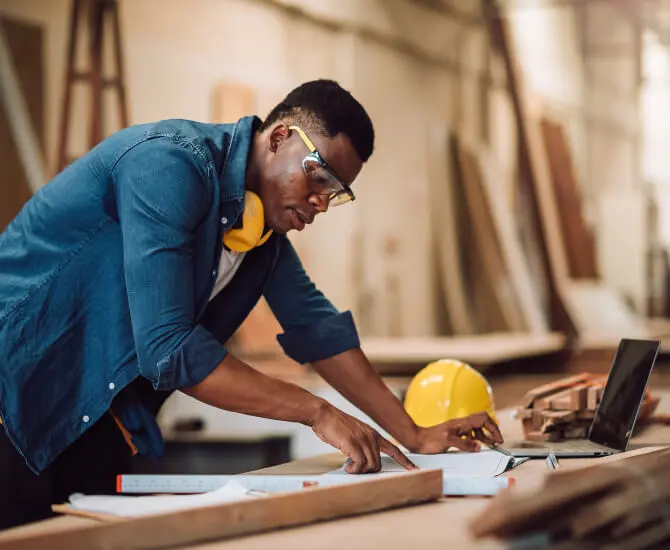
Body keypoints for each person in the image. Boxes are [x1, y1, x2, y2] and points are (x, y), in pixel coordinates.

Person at [0, 79, 503, 529]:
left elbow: (317, 330)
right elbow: (168, 348)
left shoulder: (260, 237)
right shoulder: (168, 165)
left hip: (88, 416)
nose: (321, 203)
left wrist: (412, 433)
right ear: (280, 136)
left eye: (337, 192)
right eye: (319, 177)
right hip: (16, 391)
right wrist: (317, 412)